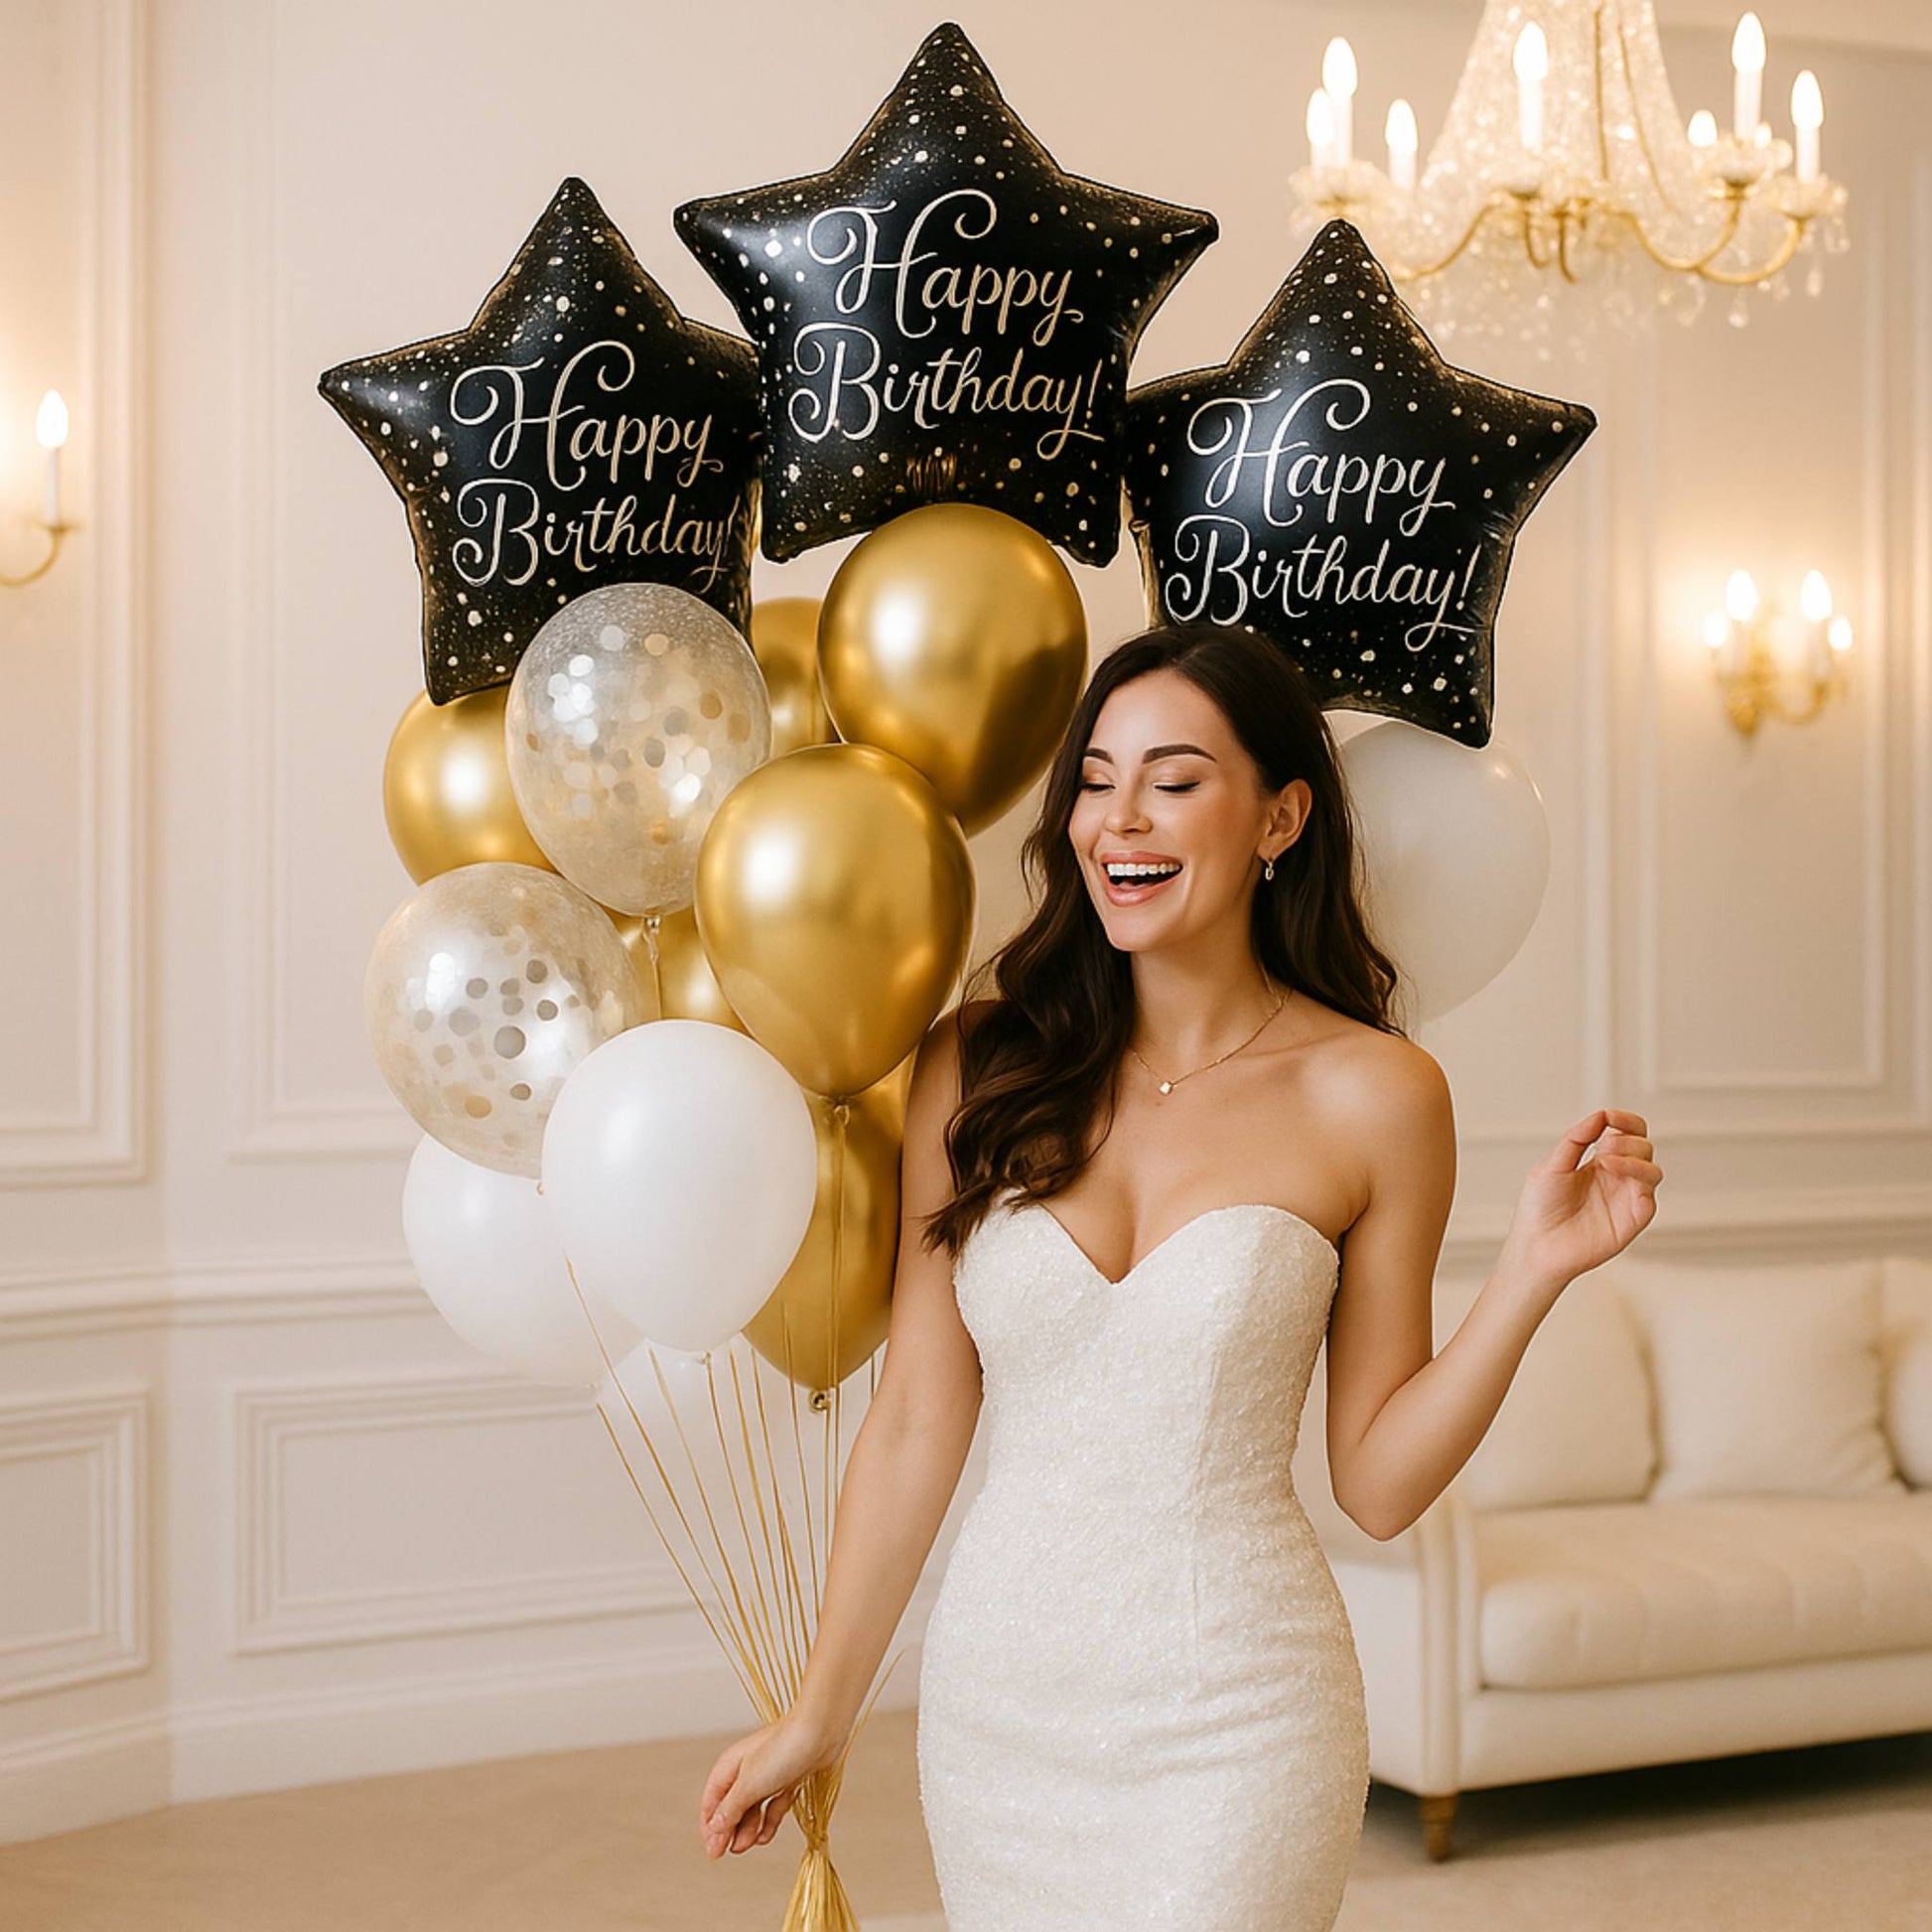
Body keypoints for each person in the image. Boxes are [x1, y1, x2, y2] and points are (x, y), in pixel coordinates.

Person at [696, 621, 1662, 1928]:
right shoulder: (975, 1062)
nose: (1118, 818)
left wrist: (1535, 1270)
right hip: (1001, 1704)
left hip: (1238, 1710)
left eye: (1173, 776)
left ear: (1279, 815)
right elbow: (918, 1416)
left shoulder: (1374, 1093)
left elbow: (1375, 1482)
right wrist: (819, 1710)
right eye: (1095, 778)